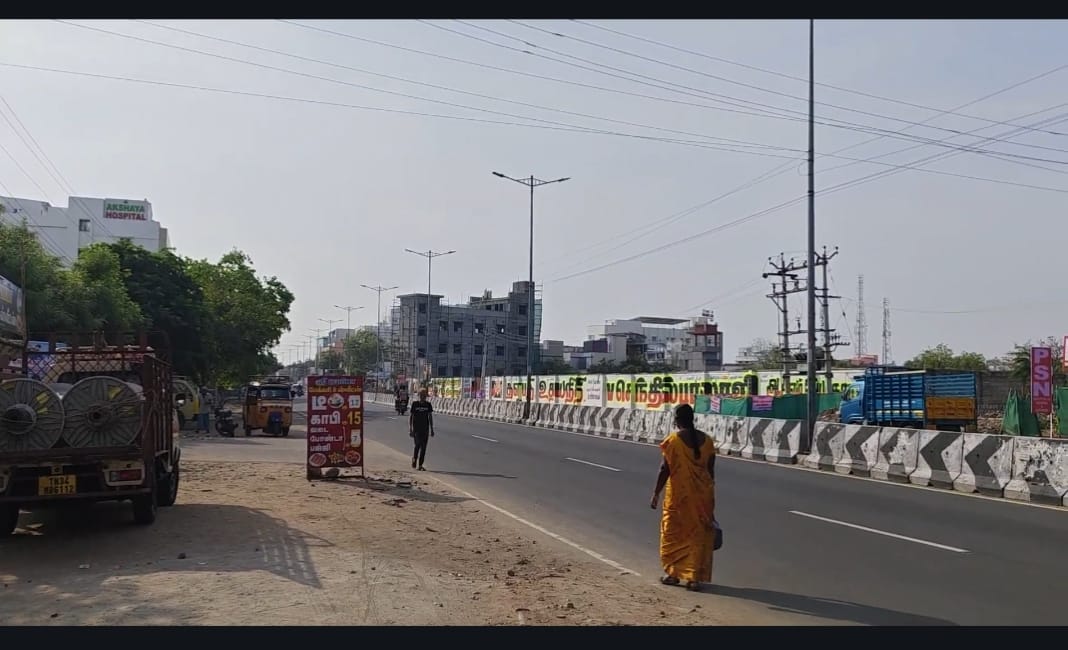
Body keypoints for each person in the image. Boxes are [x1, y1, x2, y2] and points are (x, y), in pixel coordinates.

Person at [650, 403, 717, 592]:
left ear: (677, 420)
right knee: (697, 534)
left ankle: (673, 574)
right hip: (703, 496)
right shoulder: (708, 441)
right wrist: (709, 499)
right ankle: (694, 578)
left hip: (679, 498)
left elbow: (665, 469)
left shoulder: (673, 441)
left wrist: (656, 493)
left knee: (674, 535)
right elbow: (711, 473)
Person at [409, 388, 435, 471]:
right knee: (417, 445)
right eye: (421, 395)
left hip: (425, 429)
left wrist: (432, 429)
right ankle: (414, 459)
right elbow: (411, 416)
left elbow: (430, 417)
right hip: (416, 429)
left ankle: (420, 465)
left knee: (423, 448)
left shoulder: (428, 405)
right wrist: (410, 429)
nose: (423, 397)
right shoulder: (415, 404)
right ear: (419, 395)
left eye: (424, 395)